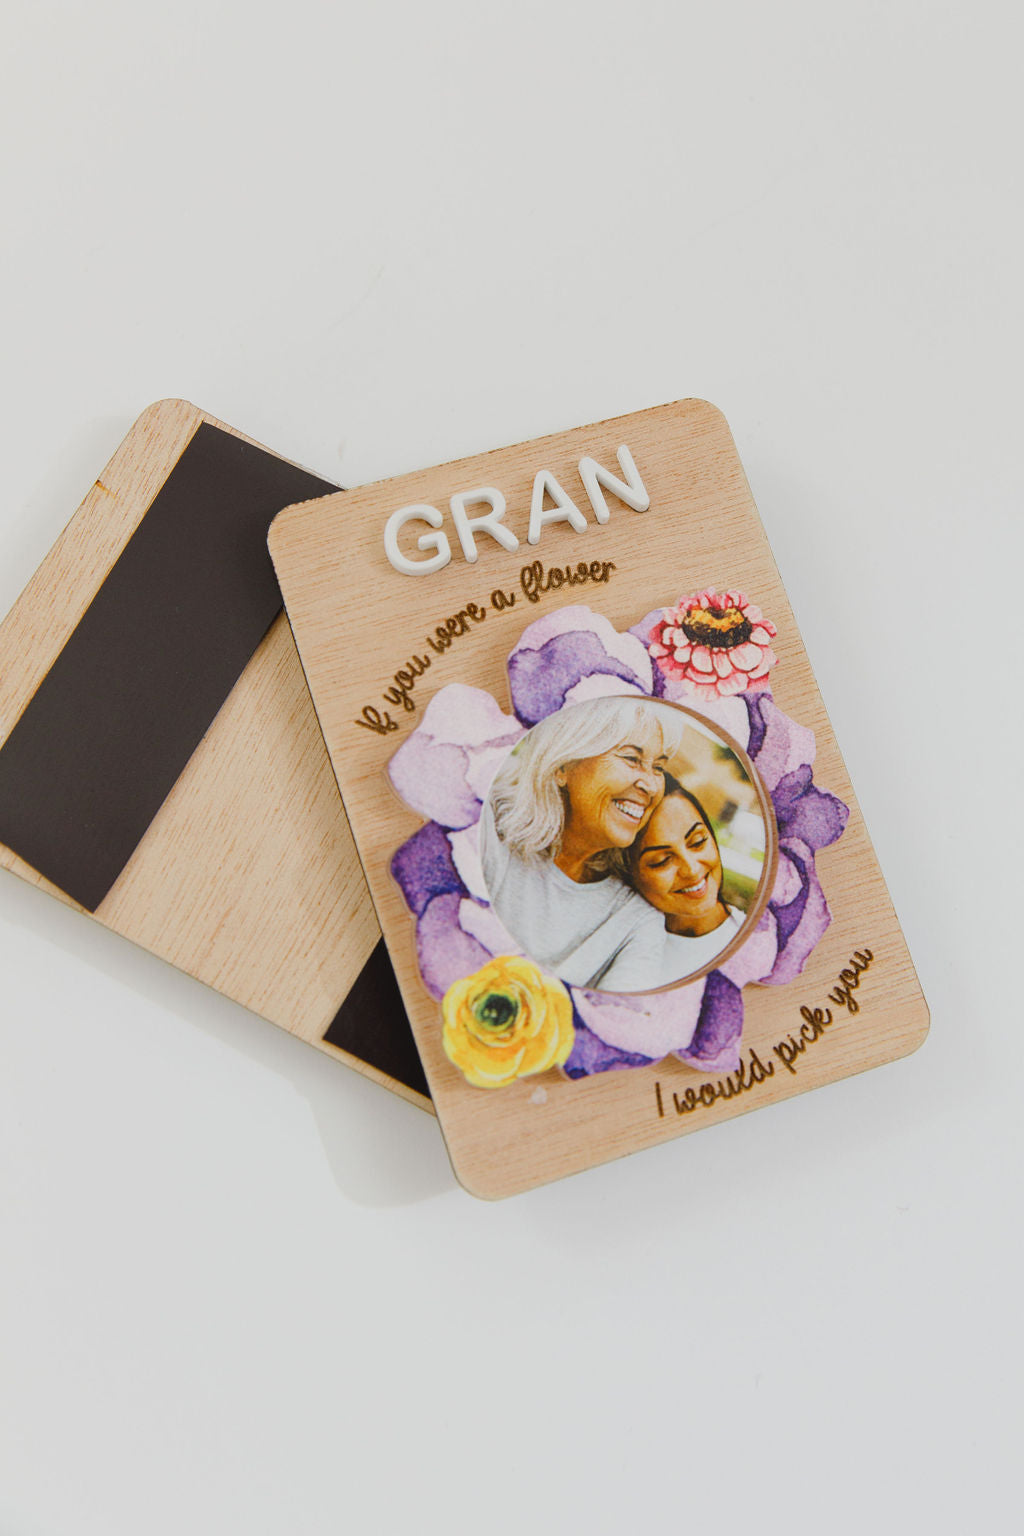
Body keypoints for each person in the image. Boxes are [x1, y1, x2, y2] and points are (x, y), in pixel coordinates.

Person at [481, 695, 686, 987]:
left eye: (658, 767)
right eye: (632, 758)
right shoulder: (487, 828)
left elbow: (622, 1010)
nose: (651, 785)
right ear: (563, 765)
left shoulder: (636, 918)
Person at [596, 777, 745, 990]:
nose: (691, 869)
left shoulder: (756, 939)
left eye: (697, 841)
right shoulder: (618, 951)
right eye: (662, 861)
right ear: (629, 873)